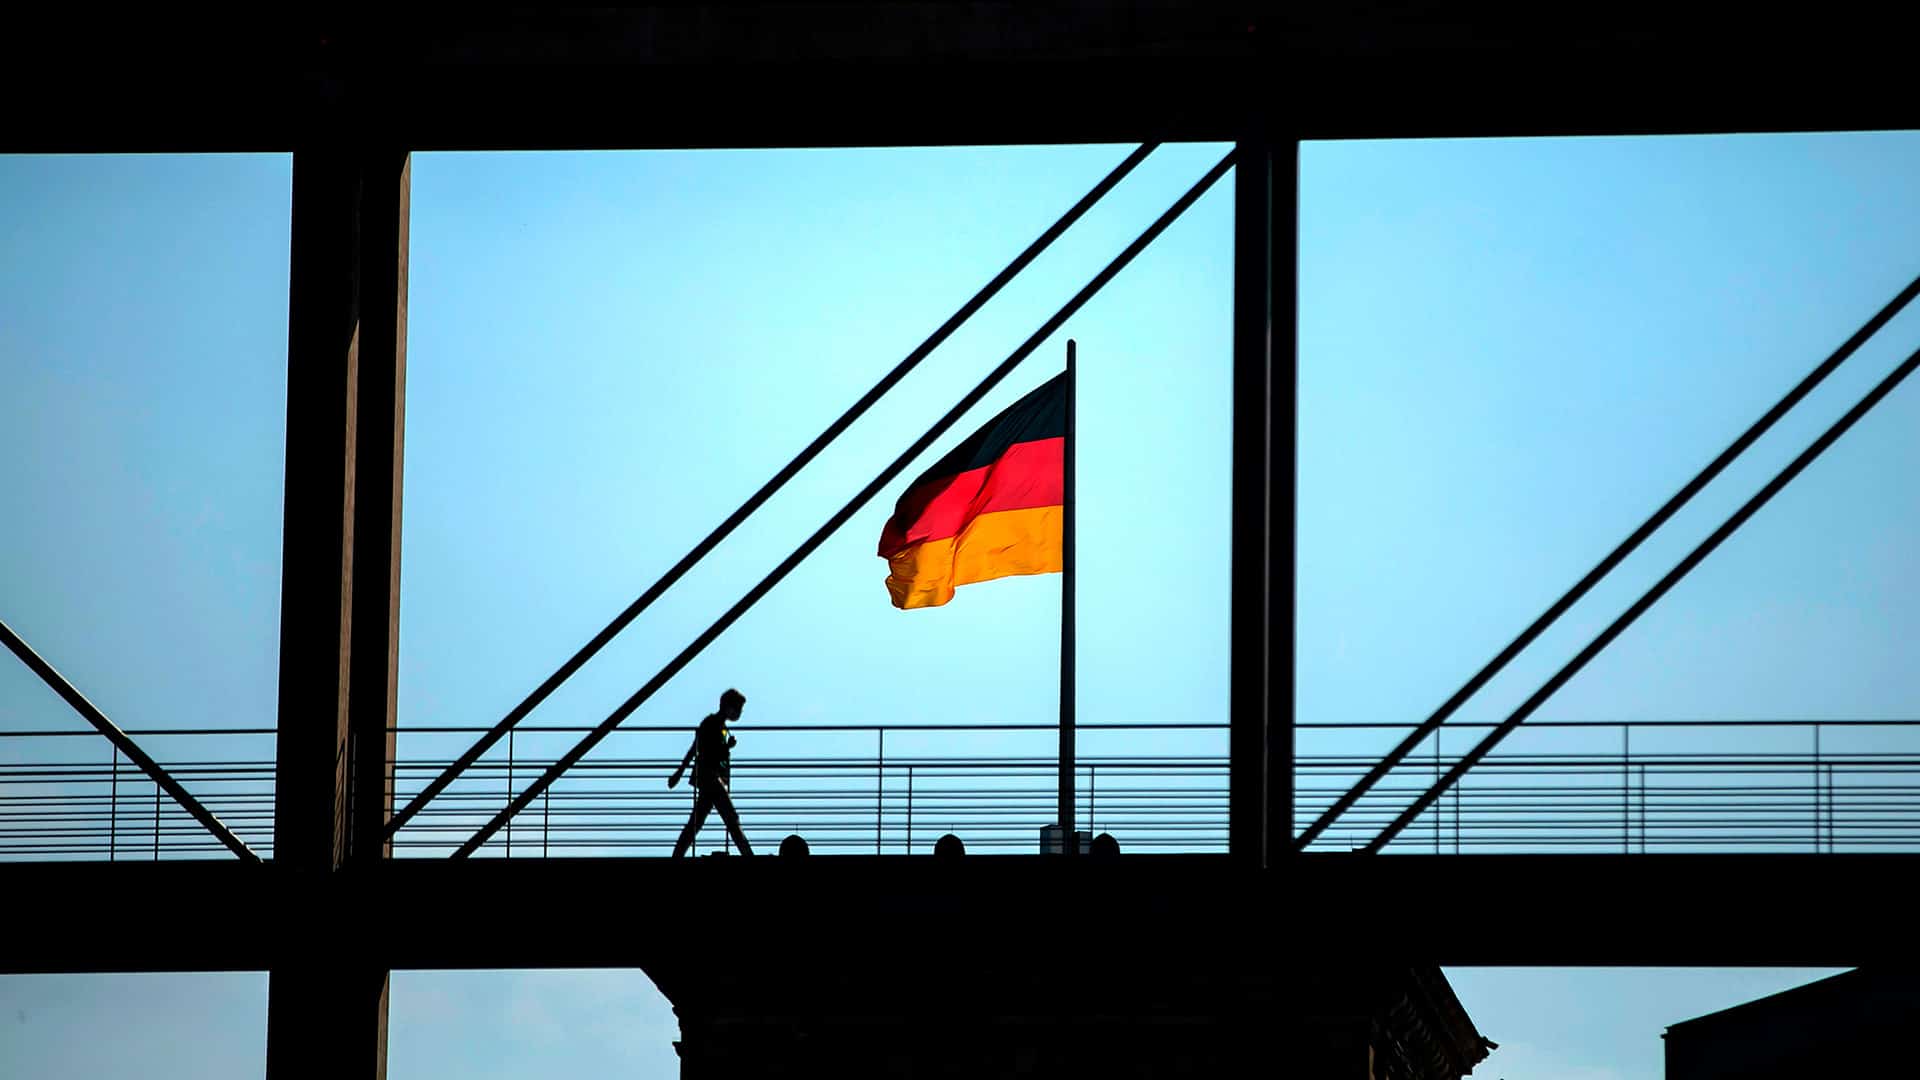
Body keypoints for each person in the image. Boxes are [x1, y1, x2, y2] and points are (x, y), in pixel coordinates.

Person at [668, 688, 755, 857]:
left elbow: (697, 749)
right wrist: (679, 772)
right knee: (731, 819)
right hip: (711, 777)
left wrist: (679, 772)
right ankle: (748, 856)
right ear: (727, 706)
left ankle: (676, 856)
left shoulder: (719, 726)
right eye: (737, 708)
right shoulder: (711, 723)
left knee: (697, 822)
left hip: (710, 778)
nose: (739, 712)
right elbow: (698, 748)